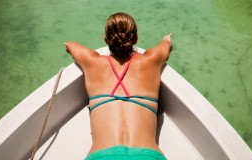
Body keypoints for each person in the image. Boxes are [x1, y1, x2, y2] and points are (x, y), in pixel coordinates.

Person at [64, 12, 173, 160]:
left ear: (106, 39)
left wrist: (69, 45)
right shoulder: (151, 59)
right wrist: (166, 40)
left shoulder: (92, 62)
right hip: (148, 155)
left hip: (101, 156)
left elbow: (71, 46)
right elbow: (166, 47)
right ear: (135, 39)